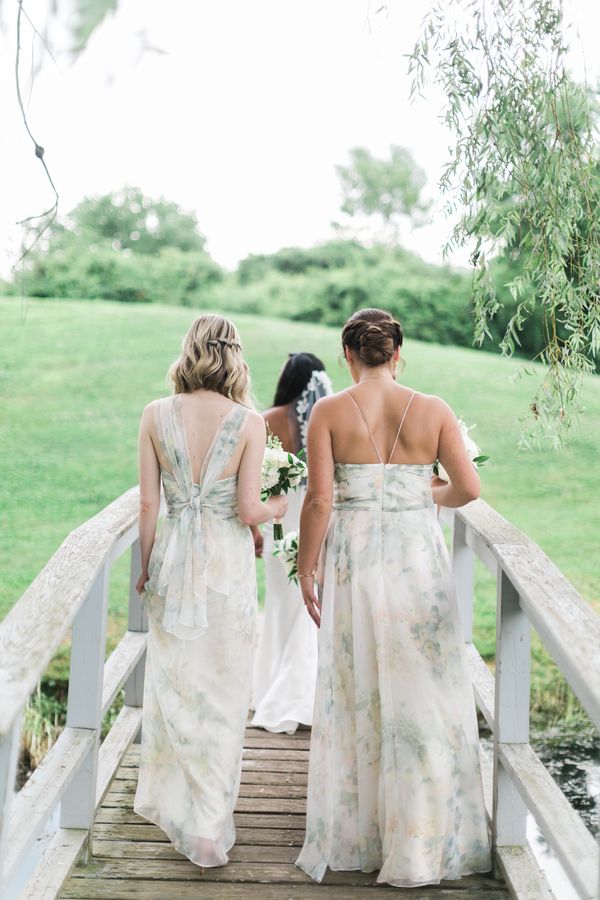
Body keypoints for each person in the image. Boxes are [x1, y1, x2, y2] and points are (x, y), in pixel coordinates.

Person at [295, 308, 491, 887]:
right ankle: (425, 839)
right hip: (415, 562)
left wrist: (307, 569)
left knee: (360, 690)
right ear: (398, 355)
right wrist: (421, 491)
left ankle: (361, 836)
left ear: (347, 355)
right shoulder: (432, 409)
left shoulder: (329, 412)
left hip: (355, 564)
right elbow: (468, 488)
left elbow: (320, 502)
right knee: (422, 695)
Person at [133, 314, 287, 870]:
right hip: (224, 566)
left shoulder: (155, 415)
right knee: (224, 692)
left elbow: (148, 505)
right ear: (233, 355)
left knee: (178, 689)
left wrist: (146, 566)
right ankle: (207, 826)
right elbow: (249, 509)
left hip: (174, 561)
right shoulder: (247, 421)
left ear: (189, 350)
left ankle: (184, 809)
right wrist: (275, 510)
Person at [251, 353, 333, 734]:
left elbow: (251, 484)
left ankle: (269, 687)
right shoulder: (325, 421)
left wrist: (255, 529)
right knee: (308, 606)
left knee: (280, 606)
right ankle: (308, 692)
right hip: (312, 525)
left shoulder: (266, 421)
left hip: (277, 525)